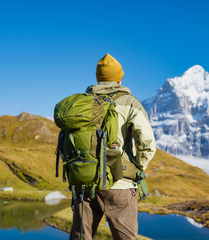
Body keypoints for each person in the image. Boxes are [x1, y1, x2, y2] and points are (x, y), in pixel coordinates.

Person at [69, 53, 156, 240]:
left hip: (84, 183)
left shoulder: (81, 103)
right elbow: (147, 143)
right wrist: (137, 168)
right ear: (120, 78)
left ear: (98, 78)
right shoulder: (130, 103)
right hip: (120, 184)